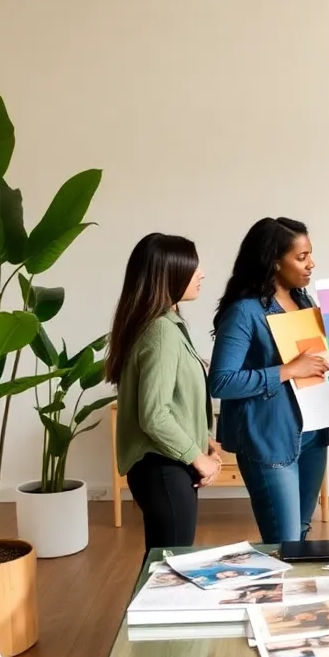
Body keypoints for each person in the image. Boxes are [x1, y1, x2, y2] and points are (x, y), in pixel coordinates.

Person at [209, 217, 329, 543]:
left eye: (310, 254)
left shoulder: (304, 301)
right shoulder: (244, 312)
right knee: (284, 540)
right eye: (302, 257)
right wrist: (288, 370)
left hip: (312, 434)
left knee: (300, 532)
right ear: (274, 261)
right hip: (269, 438)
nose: (311, 264)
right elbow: (221, 382)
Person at [106, 233, 221, 558]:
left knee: (164, 564)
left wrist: (204, 440)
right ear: (168, 275)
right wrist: (198, 458)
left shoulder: (165, 326)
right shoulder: (161, 332)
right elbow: (155, 415)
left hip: (166, 467)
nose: (201, 274)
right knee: (168, 567)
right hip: (163, 469)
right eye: (192, 267)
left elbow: (175, 400)